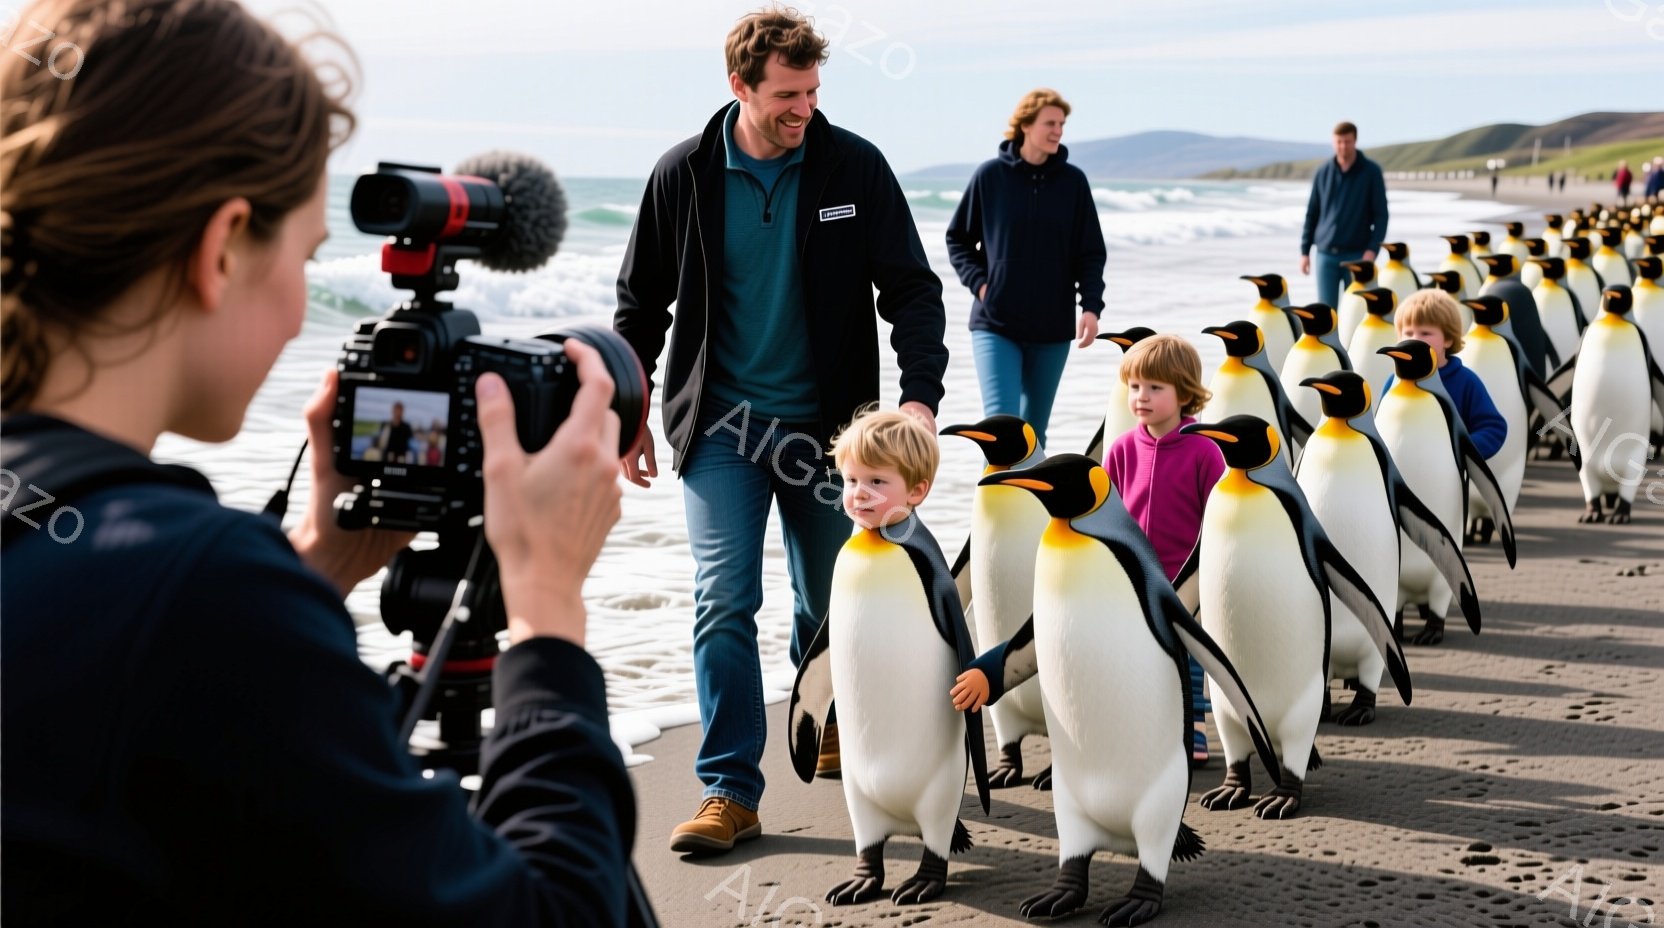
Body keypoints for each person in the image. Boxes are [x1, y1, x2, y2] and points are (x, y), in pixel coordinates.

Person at [0, 1, 643, 923]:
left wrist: (315, 562)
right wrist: (548, 617)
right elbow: (558, 913)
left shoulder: (107, 564)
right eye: (305, 256)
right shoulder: (195, 595)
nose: (306, 310)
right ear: (222, 249)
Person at [613, 7, 948, 856]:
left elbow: (910, 288)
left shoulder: (851, 167)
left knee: (826, 596)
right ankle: (730, 788)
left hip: (830, 434)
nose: (804, 108)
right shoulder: (683, 174)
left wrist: (918, 401)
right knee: (723, 596)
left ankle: (828, 715)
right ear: (740, 88)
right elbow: (640, 305)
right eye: (787, 95)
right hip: (718, 426)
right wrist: (629, 408)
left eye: (813, 91)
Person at [945, 88, 1106, 449]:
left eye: (1061, 124)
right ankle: (991, 508)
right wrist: (983, 286)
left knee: (1033, 434)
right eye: (1050, 123)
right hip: (996, 323)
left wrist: (1091, 307)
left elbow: (1090, 253)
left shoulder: (1073, 183)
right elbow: (958, 239)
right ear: (1025, 125)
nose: (1058, 131)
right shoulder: (990, 178)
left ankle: (1031, 507)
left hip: (1052, 328)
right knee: (1000, 431)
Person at [1100, 335, 1226, 766]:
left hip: (1187, 577)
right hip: (1134, 576)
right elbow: (1105, 511)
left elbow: (1221, 515)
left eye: (1155, 388)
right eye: (1135, 387)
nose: (1142, 397)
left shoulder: (1205, 450)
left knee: (1187, 658)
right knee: (1138, 654)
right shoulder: (1119, 449)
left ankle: (1193, 725)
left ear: (1184, 391)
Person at [1386, 291, 1507, 462]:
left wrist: (1461, 450)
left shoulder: (1464, 381)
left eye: (1425, 333)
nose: (1415, 339)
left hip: (1445, 479)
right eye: (1408, 333)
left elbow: (1493, 427)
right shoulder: (1393, 383)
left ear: (1448, 339)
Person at [1301, 120, 1390, 308]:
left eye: (1347, 141)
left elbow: (1381, 215)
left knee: (1356, 312)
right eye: (1339, 142)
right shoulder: (1323, 172)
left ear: (1355, 141)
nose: (1343, 146)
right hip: (1325, 255)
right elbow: (1312, 213)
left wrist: (1372, 250)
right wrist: (1305, 251)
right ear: (1333, 142)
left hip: (1358, 255)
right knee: (1326, 315)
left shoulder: (1371, 172)